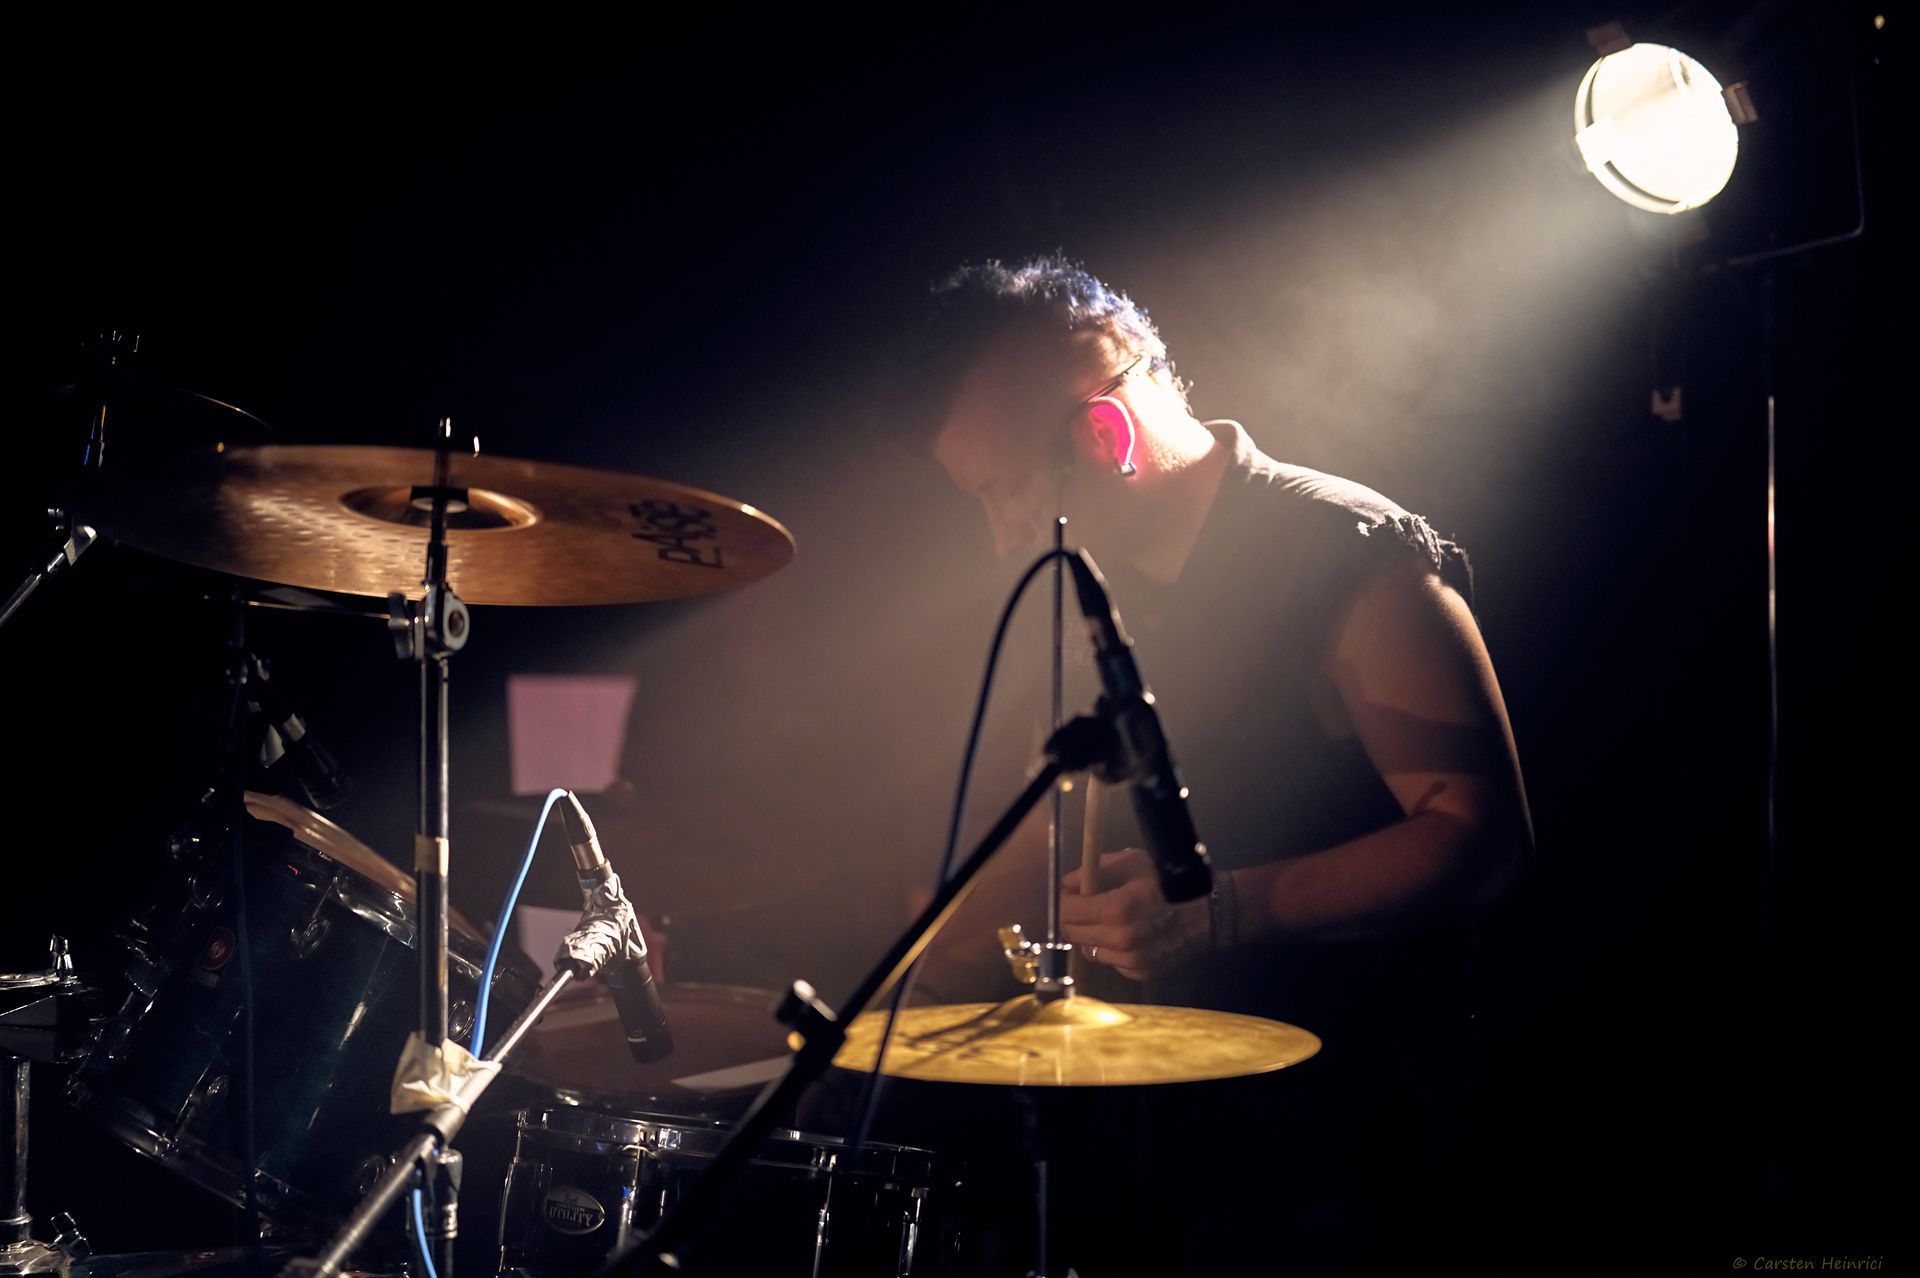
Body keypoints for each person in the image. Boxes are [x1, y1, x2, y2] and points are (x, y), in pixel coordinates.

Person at [908, 256, 1533, 1274]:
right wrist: (917, 949)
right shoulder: (1098, 599)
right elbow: (1042, 833)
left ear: (1103, 435)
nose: (1000, 538)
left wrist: (1222, 909)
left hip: (1348, 1157)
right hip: (1172, 1152)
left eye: (1008, 492)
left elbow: (1482, 838)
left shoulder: (1347, 557)